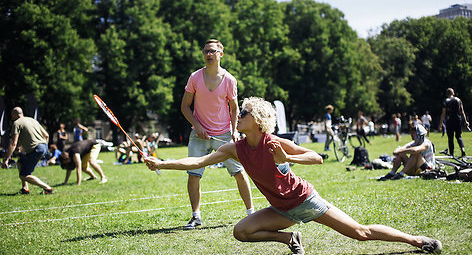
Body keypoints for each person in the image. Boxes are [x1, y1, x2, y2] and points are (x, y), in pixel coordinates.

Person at [145, 97, 442, 255]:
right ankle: (290, 238)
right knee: (240, 232)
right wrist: (161, 163)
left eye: (243, 112)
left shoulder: (273, 142)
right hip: (280, 210)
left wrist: (286, 158)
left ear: (257, 119)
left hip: (305, 200)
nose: (238, 115)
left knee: (359, 233)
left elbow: (317, 157)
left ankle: (417, 241)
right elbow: (197, 160)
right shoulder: (234, 149)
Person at [180, 39, 254, 229]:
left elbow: (234, 108)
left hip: (224, 135)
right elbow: (184, 107)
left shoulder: (229, 80)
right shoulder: (195, 77)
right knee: (193, 174)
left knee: (239, 173)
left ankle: (251, 214)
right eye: (206, 51)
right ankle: (196, 216)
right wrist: (197, 125)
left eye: (212, 51)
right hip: (199, 135)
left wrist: (234, 131)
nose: (208, 54)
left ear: (221, 54)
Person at [1, 107, 54, 194]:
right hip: (43, 146)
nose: (11, 117)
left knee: (24, 175)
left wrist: (6, 159)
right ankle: (25, 189)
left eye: (11, 115)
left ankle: (48, 188)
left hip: (36, 149)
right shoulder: (32, 120)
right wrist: (45, 150)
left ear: (14, 115)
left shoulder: (16, 123)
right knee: (20, 163)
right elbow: (46, 135)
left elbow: (13, 143)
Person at [439, 88, 469, 157]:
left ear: (447, 94)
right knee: (458, 136)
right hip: (458, 119)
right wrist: (465, 121)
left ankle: (451, 153)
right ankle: (463, 149)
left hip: (450, 120)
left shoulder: (445, 101)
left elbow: (443, 113)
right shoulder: (458, 100)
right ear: (453, 93)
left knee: (450, 138)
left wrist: (440, 124)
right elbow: (462, 111)